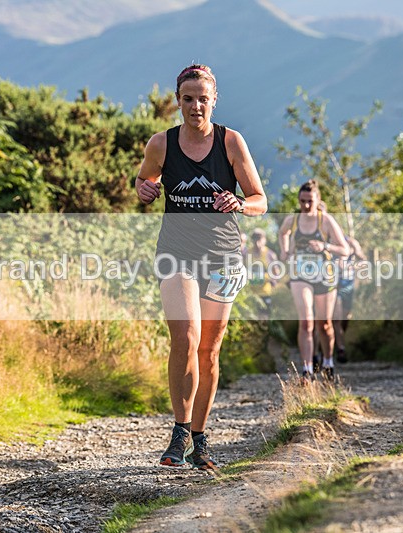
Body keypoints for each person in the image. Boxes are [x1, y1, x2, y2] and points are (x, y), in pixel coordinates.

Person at [135, 64, 267, 469]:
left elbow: (260, 199)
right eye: (188, 99)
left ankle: (200, 437)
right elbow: (143, 183)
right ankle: (178, 432)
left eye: (203, 99)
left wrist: (240, 203)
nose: (195, 107)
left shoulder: (231, 142)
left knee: (209, 350)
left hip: (224, 256)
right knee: (186, 336)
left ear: (214, 101)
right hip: (176, 252)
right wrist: (145, 189)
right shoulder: (161, 143)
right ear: (178, 101)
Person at [278, 180, 348, 382]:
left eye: (310, 201)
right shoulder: (292, 220)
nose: (306, 205)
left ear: (318, 201)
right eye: (302, 201)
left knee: (324, 325)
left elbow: (345, 249)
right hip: (300, 275)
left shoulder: (325, 221)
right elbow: (283, 233)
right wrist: (284, 251)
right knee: (306, 321)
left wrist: (325, 246)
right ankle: (307, 369)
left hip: (324, 276)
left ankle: (328, 361)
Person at [333, 235, 366, 363]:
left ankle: (338, 340)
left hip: (349, 285)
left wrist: (353, 266)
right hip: (334, 286)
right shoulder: (330, 243)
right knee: (336, 318)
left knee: (345, 318)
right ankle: (341, 349)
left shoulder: (352, 242)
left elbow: (363, 261)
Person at [246, 228, 279, 312]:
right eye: (255, 238)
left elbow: (276, 273)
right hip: (250, 292)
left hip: (265, 292)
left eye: (260, 238)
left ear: (264, 239)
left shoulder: (270, 254)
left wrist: (267, 278)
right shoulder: (247, 253)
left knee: (264, 317)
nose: (257, 241)